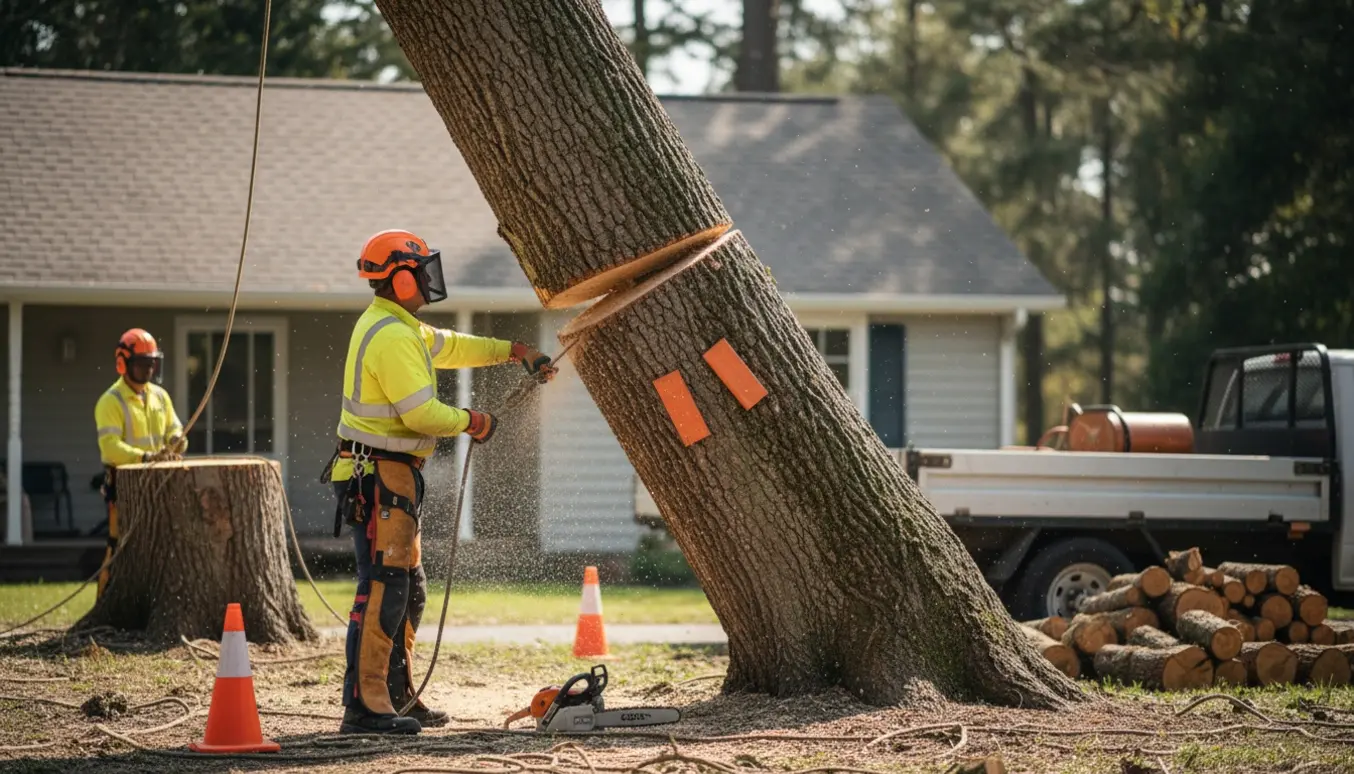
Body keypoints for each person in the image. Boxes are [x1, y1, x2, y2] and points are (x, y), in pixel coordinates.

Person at [324, 229, 556, 736]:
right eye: (421, 271)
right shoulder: (389, 335)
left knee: (410, 591)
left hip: (396, 476)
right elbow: (422, 414)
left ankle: (397, 697)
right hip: (376, 477)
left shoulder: (400, 326)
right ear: (400, 277)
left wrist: (515, 351)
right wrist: (472, 421)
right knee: (383, 587)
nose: (430, 280)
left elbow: (451, 346)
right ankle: (364, 707)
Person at [93, 328, 186, 597]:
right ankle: (106, 603)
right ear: (124, 363)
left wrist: (177, 440)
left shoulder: (160, 396)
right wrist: (143, 458)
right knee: (119, 546)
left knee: (164, 545)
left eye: (151, 363)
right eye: (142, 364)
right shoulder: (110, 401)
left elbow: (174, 428)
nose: (148, 369)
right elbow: (110, 448)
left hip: (161, 483)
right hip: (125, 487)